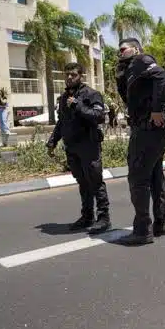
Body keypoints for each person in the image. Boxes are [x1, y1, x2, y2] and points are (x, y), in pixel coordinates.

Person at [115, 38, 165, 246]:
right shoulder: (129, 68)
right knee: (155, 175)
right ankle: (160, 224)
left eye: (123, 49)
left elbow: (164, 77)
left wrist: (157, 109)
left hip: (149, 130)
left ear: (136, 48)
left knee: (138, 177)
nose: (120, 53)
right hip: (149, 129)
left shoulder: (141, 60)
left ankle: (142, 231)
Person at [46, 63, 111, 233]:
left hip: (89, 145)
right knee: (82, 182)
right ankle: (87, 216)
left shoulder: (91, 94)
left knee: (95, 182)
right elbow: (62, 123)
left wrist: (77, 105)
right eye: (66, 74)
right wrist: (52, 141)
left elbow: (99, 117)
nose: (69, 77)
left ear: (81, 76)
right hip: (72, 147)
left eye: (73, 75)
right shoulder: (63, 98)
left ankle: (104, 218)